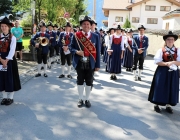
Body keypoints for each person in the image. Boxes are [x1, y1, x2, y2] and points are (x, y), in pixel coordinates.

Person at [71, 16, 100, 108]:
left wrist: (97, 65)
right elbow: (71, 48)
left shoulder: (96, 36)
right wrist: (76, 52)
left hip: (90, 63)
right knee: (80, 80)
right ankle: (80, 98)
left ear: (91, 26)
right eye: (84, 24)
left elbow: (98, 51)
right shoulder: (76, 36)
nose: (86, 25)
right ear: (81, 25)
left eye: (88, 24)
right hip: (79, 62)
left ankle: (87, 99)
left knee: (89, 81)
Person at [148, 31, 180, 114]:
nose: (170, 41)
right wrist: (166, 64)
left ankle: (168, 105)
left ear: (174, 40)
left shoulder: (178, 50)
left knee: (171, 87)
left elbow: (179, 62)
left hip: (173, 72)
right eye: (168, 39)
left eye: (172, 39)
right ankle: (156, 104)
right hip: (162, 70)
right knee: (160, 86)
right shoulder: (161, 50)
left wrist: (172, 63)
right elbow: (157, 61)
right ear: (165, 40)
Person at [0, 17, 21, 105]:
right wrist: (1, 59)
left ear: (9, 27)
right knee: (1, 78)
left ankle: (10, 98)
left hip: (10, 60)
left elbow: (12, 50)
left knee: (10, 78)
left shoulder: (12, 37)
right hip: (0, 59)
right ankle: (4, 97)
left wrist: (6, 60)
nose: (4, 28)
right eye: (2, 26)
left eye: (5, 26)